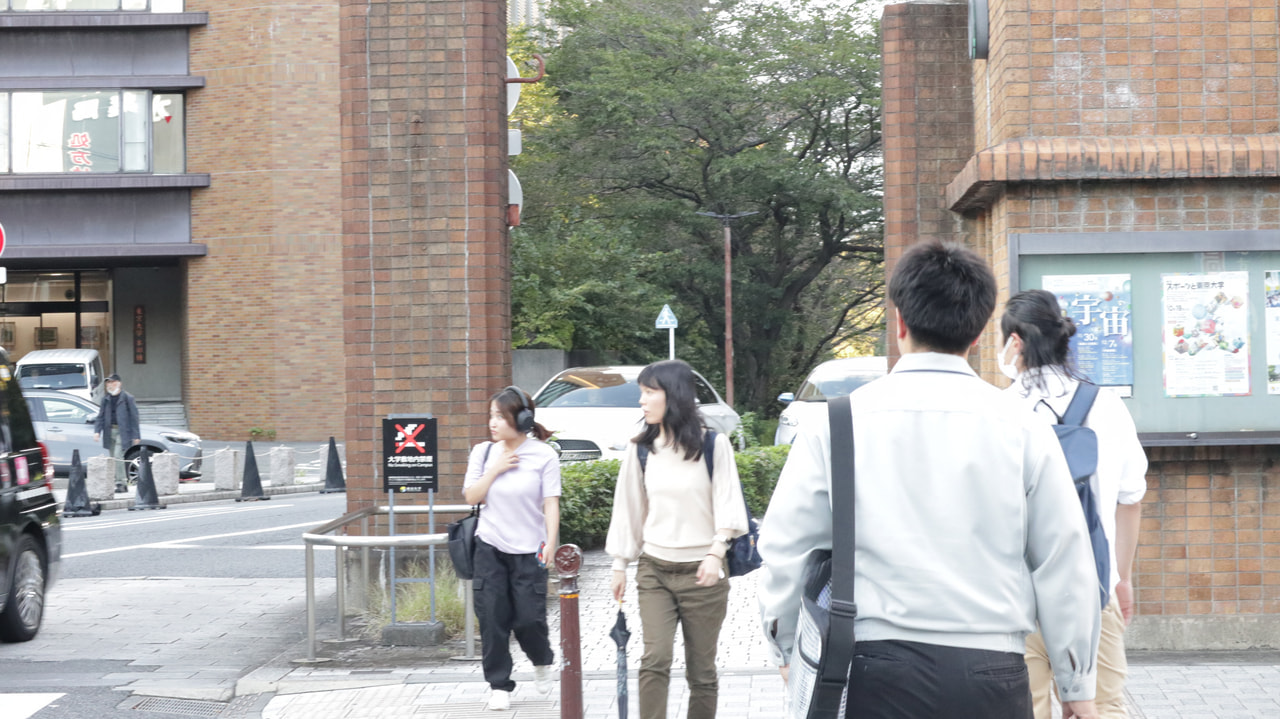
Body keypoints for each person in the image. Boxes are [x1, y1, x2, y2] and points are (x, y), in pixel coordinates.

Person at [757, 241, 1103, 719]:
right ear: (981, 331)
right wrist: (1076, 683)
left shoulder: (837, 422)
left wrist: (787, 647)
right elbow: (1064, 558)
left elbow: (786, 545)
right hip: (991, 670)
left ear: (898, 320)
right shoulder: (1023, 426)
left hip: (872, 668)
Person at [1000, 289, 1147, 719]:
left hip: (1017, 596)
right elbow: (1130, 498)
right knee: (1101, 707)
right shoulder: (1107, 405)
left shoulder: (998, 411)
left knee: (1025, 709)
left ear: (1014, 342)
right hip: (1092, 588)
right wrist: (1123, 578)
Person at [605, 359, 749, 719]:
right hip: (655, 570)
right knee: (655, 659)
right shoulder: (640, 449)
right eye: (643, 393)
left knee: (701, 672)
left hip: (704, 573)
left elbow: (730, 506)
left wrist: (716, 554)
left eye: (650, 392)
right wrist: (620, 564)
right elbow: (628, 510)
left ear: (674, 396)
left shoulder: (714, 446)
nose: (642, 401)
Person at [463, 386, 560, 712]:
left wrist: (552, 542)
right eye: (490, 415)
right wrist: (496, 469)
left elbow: (550, 503)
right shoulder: (484, 453)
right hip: (489, 546)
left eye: (500, 417)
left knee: (528, 618)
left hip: (530, 549)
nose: (492, 423)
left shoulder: (544, 455)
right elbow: (471, 497)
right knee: (492, 617)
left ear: (522, 418)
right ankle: (499, 685)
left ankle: (542, 660)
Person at [93, 373, 140, 494]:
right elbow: (101, 416)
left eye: (112, 382)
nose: (110, 385)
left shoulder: (127, 398)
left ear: (119, 383)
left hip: (122, 431)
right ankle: (118, 481)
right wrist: (97, 431)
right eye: (108, 383)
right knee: (113, 457)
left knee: (119, 456)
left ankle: (121, 483)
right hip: (110, 431)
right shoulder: (106, 399)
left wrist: (136, 435)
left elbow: (134, 417)